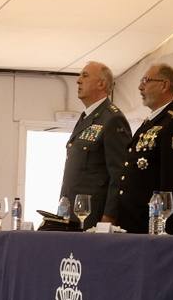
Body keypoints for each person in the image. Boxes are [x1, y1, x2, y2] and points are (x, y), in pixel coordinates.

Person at [113, 64, 173, 234]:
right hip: (135, 221)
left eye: (146, 80)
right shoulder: (151, 122)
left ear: (164, 85)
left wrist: (159, 223)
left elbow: (172, 182)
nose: (140, 86)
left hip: (156, 225)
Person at [55, 61, 131, 229]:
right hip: (71, 215)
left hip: (93, 217)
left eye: (85, 75)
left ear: (101, 84)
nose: (78, 80)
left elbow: (120, 174)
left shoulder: (112, 119)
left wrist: (109, 216)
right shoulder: (86, 117)